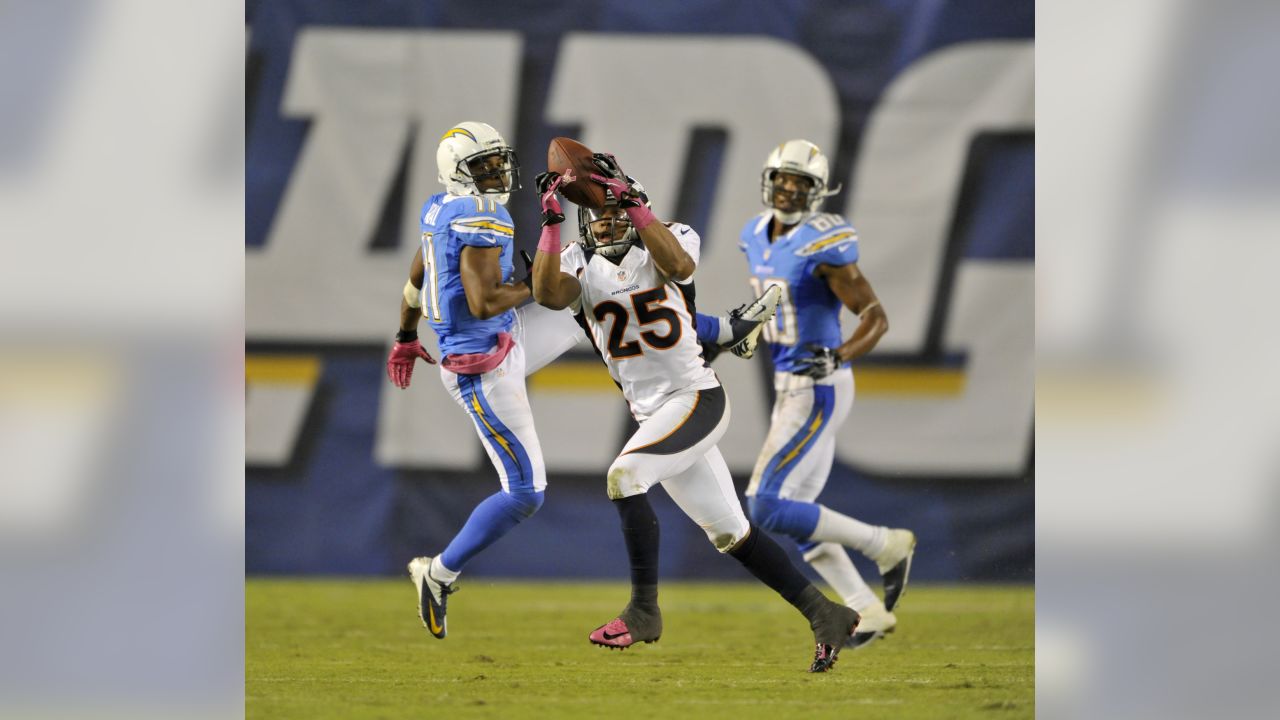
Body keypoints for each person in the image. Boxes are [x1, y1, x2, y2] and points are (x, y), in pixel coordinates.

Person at [388, 122, 777, 641]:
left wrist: (404, 332)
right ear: (458, 174)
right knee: (526, 492)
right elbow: (487, 302)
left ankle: (725, 330)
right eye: (482, 167)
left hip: (497, 345)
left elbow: (420, 272)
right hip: (486, 363)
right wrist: (534, 281)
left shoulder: (441, 210)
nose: (497, 173)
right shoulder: (483, 214)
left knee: (602, 307)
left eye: (497, 161)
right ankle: (437, 573)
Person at [530, 153, 858, 673]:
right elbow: (548, 295)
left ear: (637, 207)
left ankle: (643, 610)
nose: (608, 221)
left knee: (625, 475)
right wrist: (549, 222)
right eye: (600, 215)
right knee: (732, 534)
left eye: (617, 212)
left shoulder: (670, 237)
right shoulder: (574, 259)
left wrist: (635, 207)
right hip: (652, 412)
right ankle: (827, 615)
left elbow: (680, 266)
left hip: (696, 397)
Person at [738, 139, 916, 649]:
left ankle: (886, 545)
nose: (789, 189)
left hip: (816, 385)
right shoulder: (753, 233)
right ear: (769, 179)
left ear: (818, 191)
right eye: (782, 179)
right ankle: (866, 610)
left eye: (801, 182)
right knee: (796, 514)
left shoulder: (825, 242)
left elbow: (875, 318)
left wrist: (840, 355)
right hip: (788, 383)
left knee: (766, 507)